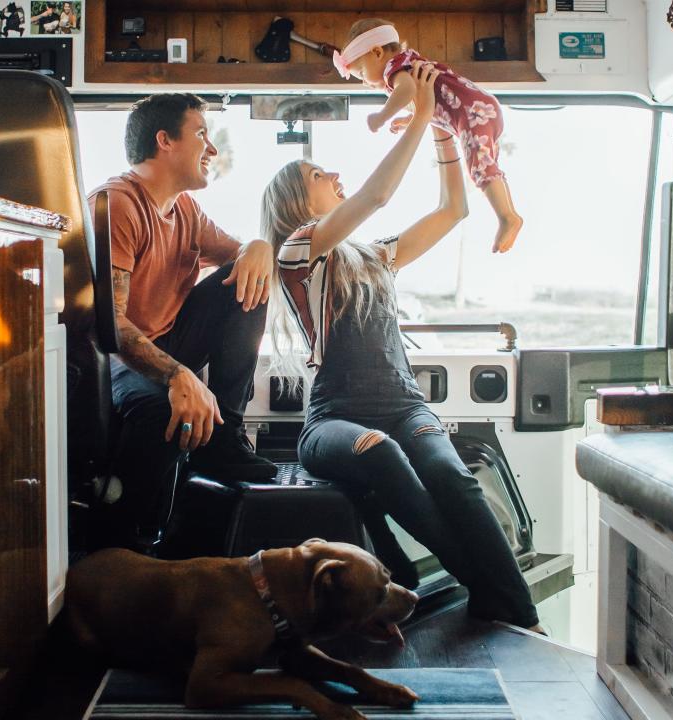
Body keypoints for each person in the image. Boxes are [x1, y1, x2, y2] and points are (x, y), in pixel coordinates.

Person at [260, 64, 542, 631]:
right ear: (298, 198)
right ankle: (487, 589)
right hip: (336, 418)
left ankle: (518, 615)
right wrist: (417, 113)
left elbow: (453, 210)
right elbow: (379, 193)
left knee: (453, 477)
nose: (333, 172)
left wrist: (440, 126)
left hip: (406, 405)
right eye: (319, 172)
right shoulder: (297, 251)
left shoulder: (373, 257)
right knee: (380, 451)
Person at [88, 93, 277, 533]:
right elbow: (110, 327)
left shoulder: (185, 209)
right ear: (164, 141)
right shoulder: (117, 205)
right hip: (114, 358)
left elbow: (241, 256)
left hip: (170, 341)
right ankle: (135, 545)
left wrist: (260, 246)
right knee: (164, 415)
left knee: (246, 275)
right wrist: (178, 376)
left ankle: (225, 438)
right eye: (201, 134)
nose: (212, 149)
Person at [333, 18, 523, 254]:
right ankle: (508, 213)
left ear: (377, 52)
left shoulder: (394, 68)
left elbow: (408, 91)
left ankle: (507, 216)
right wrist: (409, 119)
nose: (364, 82)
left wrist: (381, 117)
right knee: (486, 166)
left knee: (480, 169)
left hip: (472, 112)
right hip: (478, 108)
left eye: (361, 73)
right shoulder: (408, 63)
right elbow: (429, 103)